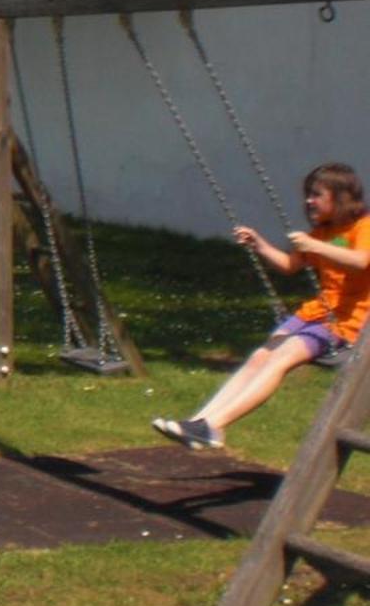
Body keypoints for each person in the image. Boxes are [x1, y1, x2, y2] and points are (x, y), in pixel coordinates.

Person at [154, 163, 370, 451]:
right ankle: (201, 422)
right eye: (308, 194)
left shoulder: (363, 226)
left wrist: (315, 246)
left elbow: (361, 261)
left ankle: (215, 425)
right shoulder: (321, 232)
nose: (309, 201)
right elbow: (291, 265)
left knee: (282, 357)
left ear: (340, 197)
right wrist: (260, 244)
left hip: (346, 323)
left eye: (317, 194)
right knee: (259, 357)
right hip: (314, 312)